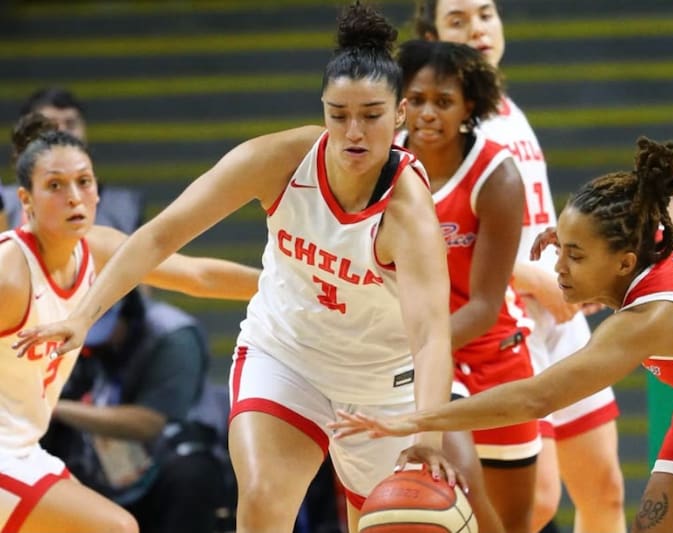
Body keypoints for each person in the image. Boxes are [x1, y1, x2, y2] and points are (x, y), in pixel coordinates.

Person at [13, 4, 459, 533]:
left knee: (382, 524)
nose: (353, 132)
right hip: (286, 355)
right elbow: (160, 234)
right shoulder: (279, 161)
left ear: (400, 113)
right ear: (322, 111)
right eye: (338, 115)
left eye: (371, 114)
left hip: (380, 381)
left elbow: (431, 334)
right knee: (265, 500)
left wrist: (427, 434)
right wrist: (85, 315)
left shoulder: (408, 213)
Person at [331, 136, 673, 533]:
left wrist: (416, 421)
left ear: (624, 262)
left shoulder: (650, 319)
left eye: (575, 255)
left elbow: (538, 398)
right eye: (564, 246)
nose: (557, 267)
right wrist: (577, 235)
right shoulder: (657, 236)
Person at [410, 3, 673, 532]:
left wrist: (579, 267)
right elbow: (442, 238)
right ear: (432, 37)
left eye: (486, 14)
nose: (477, 28)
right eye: (458, 20)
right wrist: (533, 279)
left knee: (604, 487)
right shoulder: (444, 129)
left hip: (556, 311)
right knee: (537, 500)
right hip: (507, 318)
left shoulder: (506, 109)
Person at [0, 112, 261, 533]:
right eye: (54, 185)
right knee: (115, 528)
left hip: (24, 449)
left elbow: (196, 276)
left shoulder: (99, 247)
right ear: (25, 201)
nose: (74, 197)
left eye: (84, 182)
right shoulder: (10, 273)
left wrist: (293, 286)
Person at [396, 39, 537, 533]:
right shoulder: (382, 166)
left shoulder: (496, 176)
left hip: (495, 349)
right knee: (465, 500)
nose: (427, 113)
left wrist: (409, 347)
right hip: (429, 360)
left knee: (517, 520)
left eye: (443, 101)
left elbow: (483, 304)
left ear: (468, 106)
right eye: (416, 99)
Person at [41, 288, 227, 533]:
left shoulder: (173, 335)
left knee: (190, 475)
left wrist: (57, 408)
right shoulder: (83, 342)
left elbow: (149, 423)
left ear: (127, 314)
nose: (98, 344)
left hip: (172, 452)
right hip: (101, 458)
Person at [2, 86, 144, 233]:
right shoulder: (5, 205)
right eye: (54, 184)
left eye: (70, 124)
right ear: (26, 199)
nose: (62, 132)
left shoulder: (122, 208)